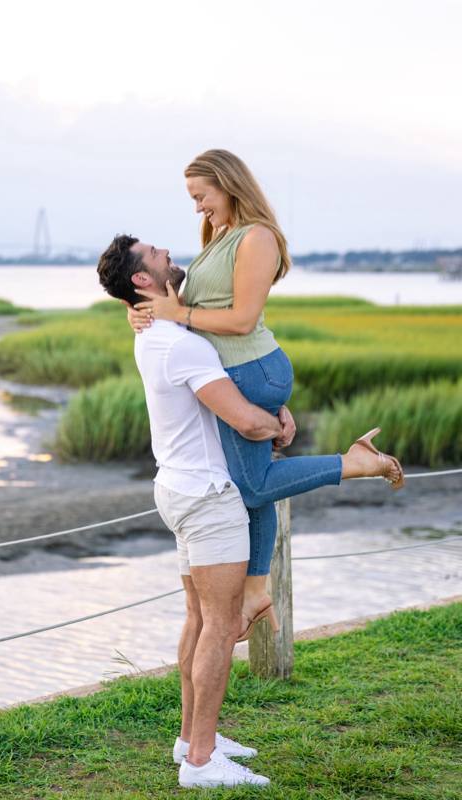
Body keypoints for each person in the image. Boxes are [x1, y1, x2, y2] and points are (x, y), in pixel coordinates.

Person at [97, 235, 400, 788]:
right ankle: (201, 764)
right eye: (155, 254)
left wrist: (271, 410)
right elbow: (245, 422)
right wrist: (274, 421)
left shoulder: (158, 333)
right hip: (210, 500)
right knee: (217, 627)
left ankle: (192, 740)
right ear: (143, 280)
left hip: (178, 488)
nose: (168, 252)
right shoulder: (180, 344)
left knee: (198, 620)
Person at [130, 149, 403, 639]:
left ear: (227, 183)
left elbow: (240, 321)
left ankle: (356, 462)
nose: (197, 208)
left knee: (253, 486)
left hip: (249, 369)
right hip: (239, 372)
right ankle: (257, 589)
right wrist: (141, 313)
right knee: (250, 485)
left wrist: (178, 317)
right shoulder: (219, 234)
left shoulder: (258, 238)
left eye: (201, 196)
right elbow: (186, 299)